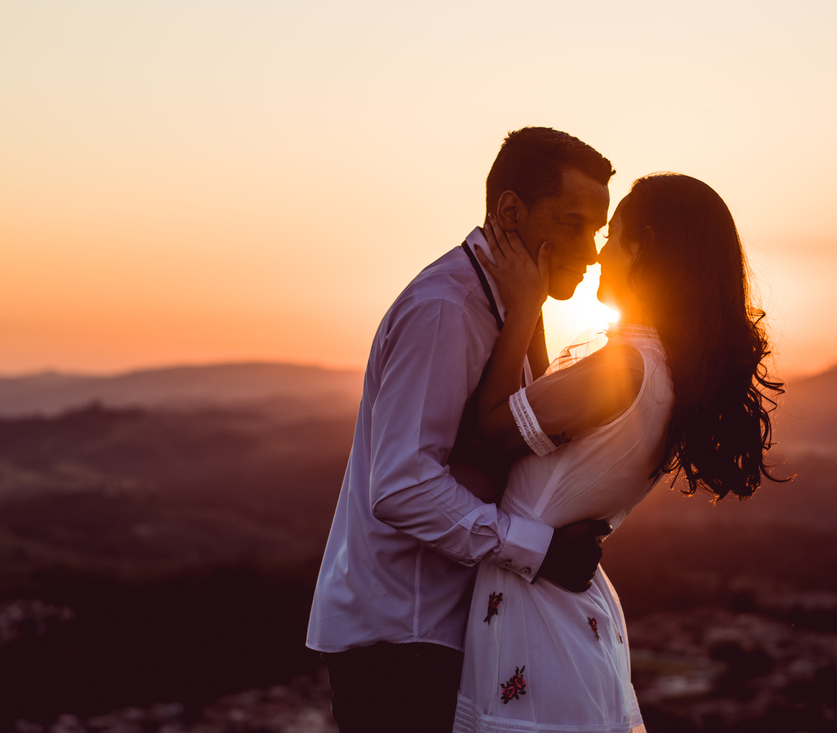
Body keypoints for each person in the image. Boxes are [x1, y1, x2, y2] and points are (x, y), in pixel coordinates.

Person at [306, 127, 620, 733]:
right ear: (510, 211)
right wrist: (538, 548)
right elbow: (401, 486)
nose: (593, 250)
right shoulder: (447, 310)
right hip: (402, 637)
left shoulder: (507, 307)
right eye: (574, 222)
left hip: (439, 631)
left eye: (598, 231)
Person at [450, 173, 784, 733]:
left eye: (616, 234)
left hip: (540, 627)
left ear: (644, 245)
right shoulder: (669, 374)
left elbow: (486, 431)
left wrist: (525, 302)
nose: (600, 251)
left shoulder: (623, 368)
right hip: (560, 617)